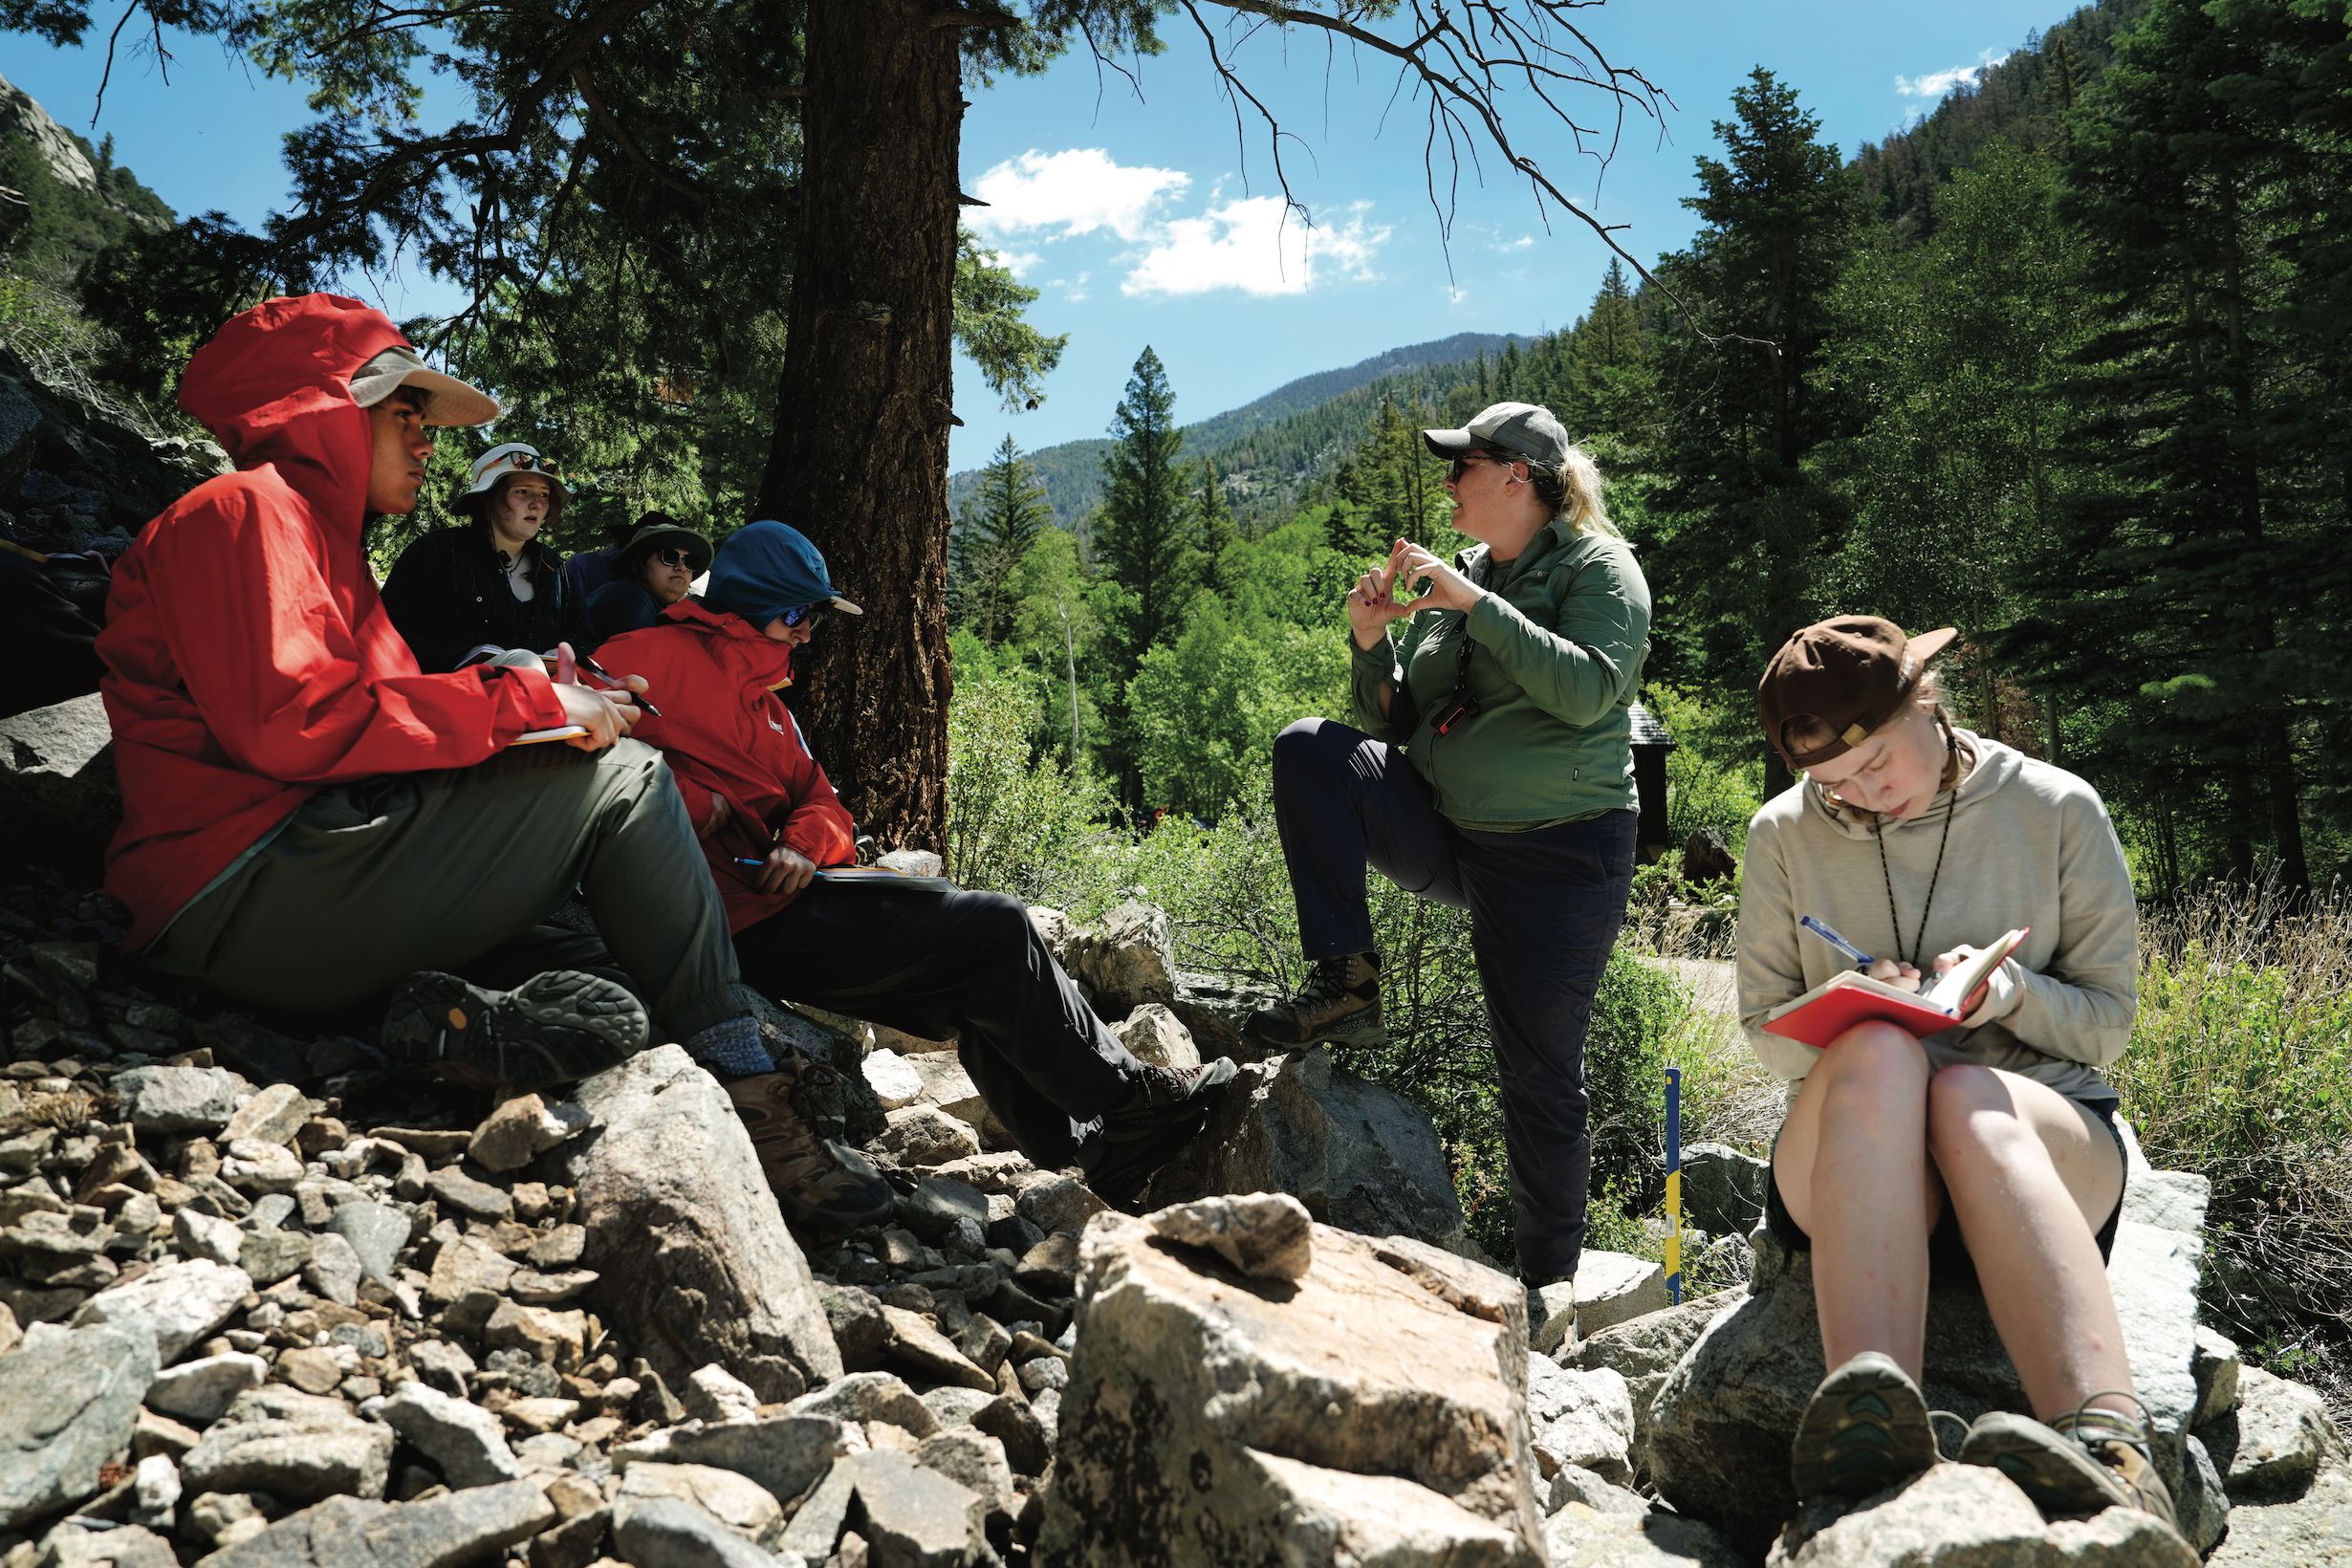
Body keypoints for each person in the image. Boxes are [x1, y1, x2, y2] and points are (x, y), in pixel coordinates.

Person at [97, 294, 891, 1229]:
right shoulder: (241, 509)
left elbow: (378, 713)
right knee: (627, 778)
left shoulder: (317, 540)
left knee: (605, 946)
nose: (428, 439)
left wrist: (506, 682)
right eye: (407, 411)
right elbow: (295, 721)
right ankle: (753, 1096)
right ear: (323, 409)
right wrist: (529, 705)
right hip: (245, 884)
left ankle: (445, 1022)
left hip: (304, 874)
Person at [599, 519, 1236, 1204]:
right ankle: (1127, 1102)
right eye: (796, 613)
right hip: (728, 916)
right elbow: (582, 748)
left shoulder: (771, 708)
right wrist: (689, 801)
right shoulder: (646, 655)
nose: (808, 631)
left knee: (977, 981)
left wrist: (802, 841)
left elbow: (828, 810)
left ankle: (1086, 1153)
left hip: (788, 896)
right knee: (992, 924)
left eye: (814, 616)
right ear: (749, 602)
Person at [1736, 616, 2179, 1537]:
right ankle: (1870, 1449)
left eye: (1878, 766)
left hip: (2033, 1160)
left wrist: (2009, 995)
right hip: (1849, 1177)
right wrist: (1863, 1006)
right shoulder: (1780, 836)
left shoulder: (2057, 808)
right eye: (1833, 786)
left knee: (1964, 1095)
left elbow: (2109, 1024)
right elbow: (1764, 1031)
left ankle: (2113, 1453)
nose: (1863, 796)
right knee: (1881, 1054)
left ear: (1925, 703)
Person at [1246, 401, 1650, 1293]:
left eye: (1462, 466)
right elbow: (1397, 717)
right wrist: (1371, 641)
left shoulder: (1599, 568)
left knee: (1538, 1077)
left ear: (1519, 477)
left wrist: (1477, 605)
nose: (1447, 483)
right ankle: (1348, 985)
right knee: (1311, 748)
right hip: (1450, 830)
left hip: (1559, 855)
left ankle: (1548, 1290)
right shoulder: (1461, 571)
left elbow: (1588, 691)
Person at [381, 442, 596, 672]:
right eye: (522, 492)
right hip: (450, 699)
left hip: (549, 700)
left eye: (544, 494)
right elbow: (390, 634)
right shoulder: (436, 553)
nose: (536, 504)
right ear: (487, 499)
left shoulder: (554, 568)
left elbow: (584, 636)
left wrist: (562, 653)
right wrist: (465, 658)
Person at [588, 512, 709, 641]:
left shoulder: (651, 604)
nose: (682, 567)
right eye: (669, 557)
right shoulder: (630, 600)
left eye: (690, 561)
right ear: (638, 565)